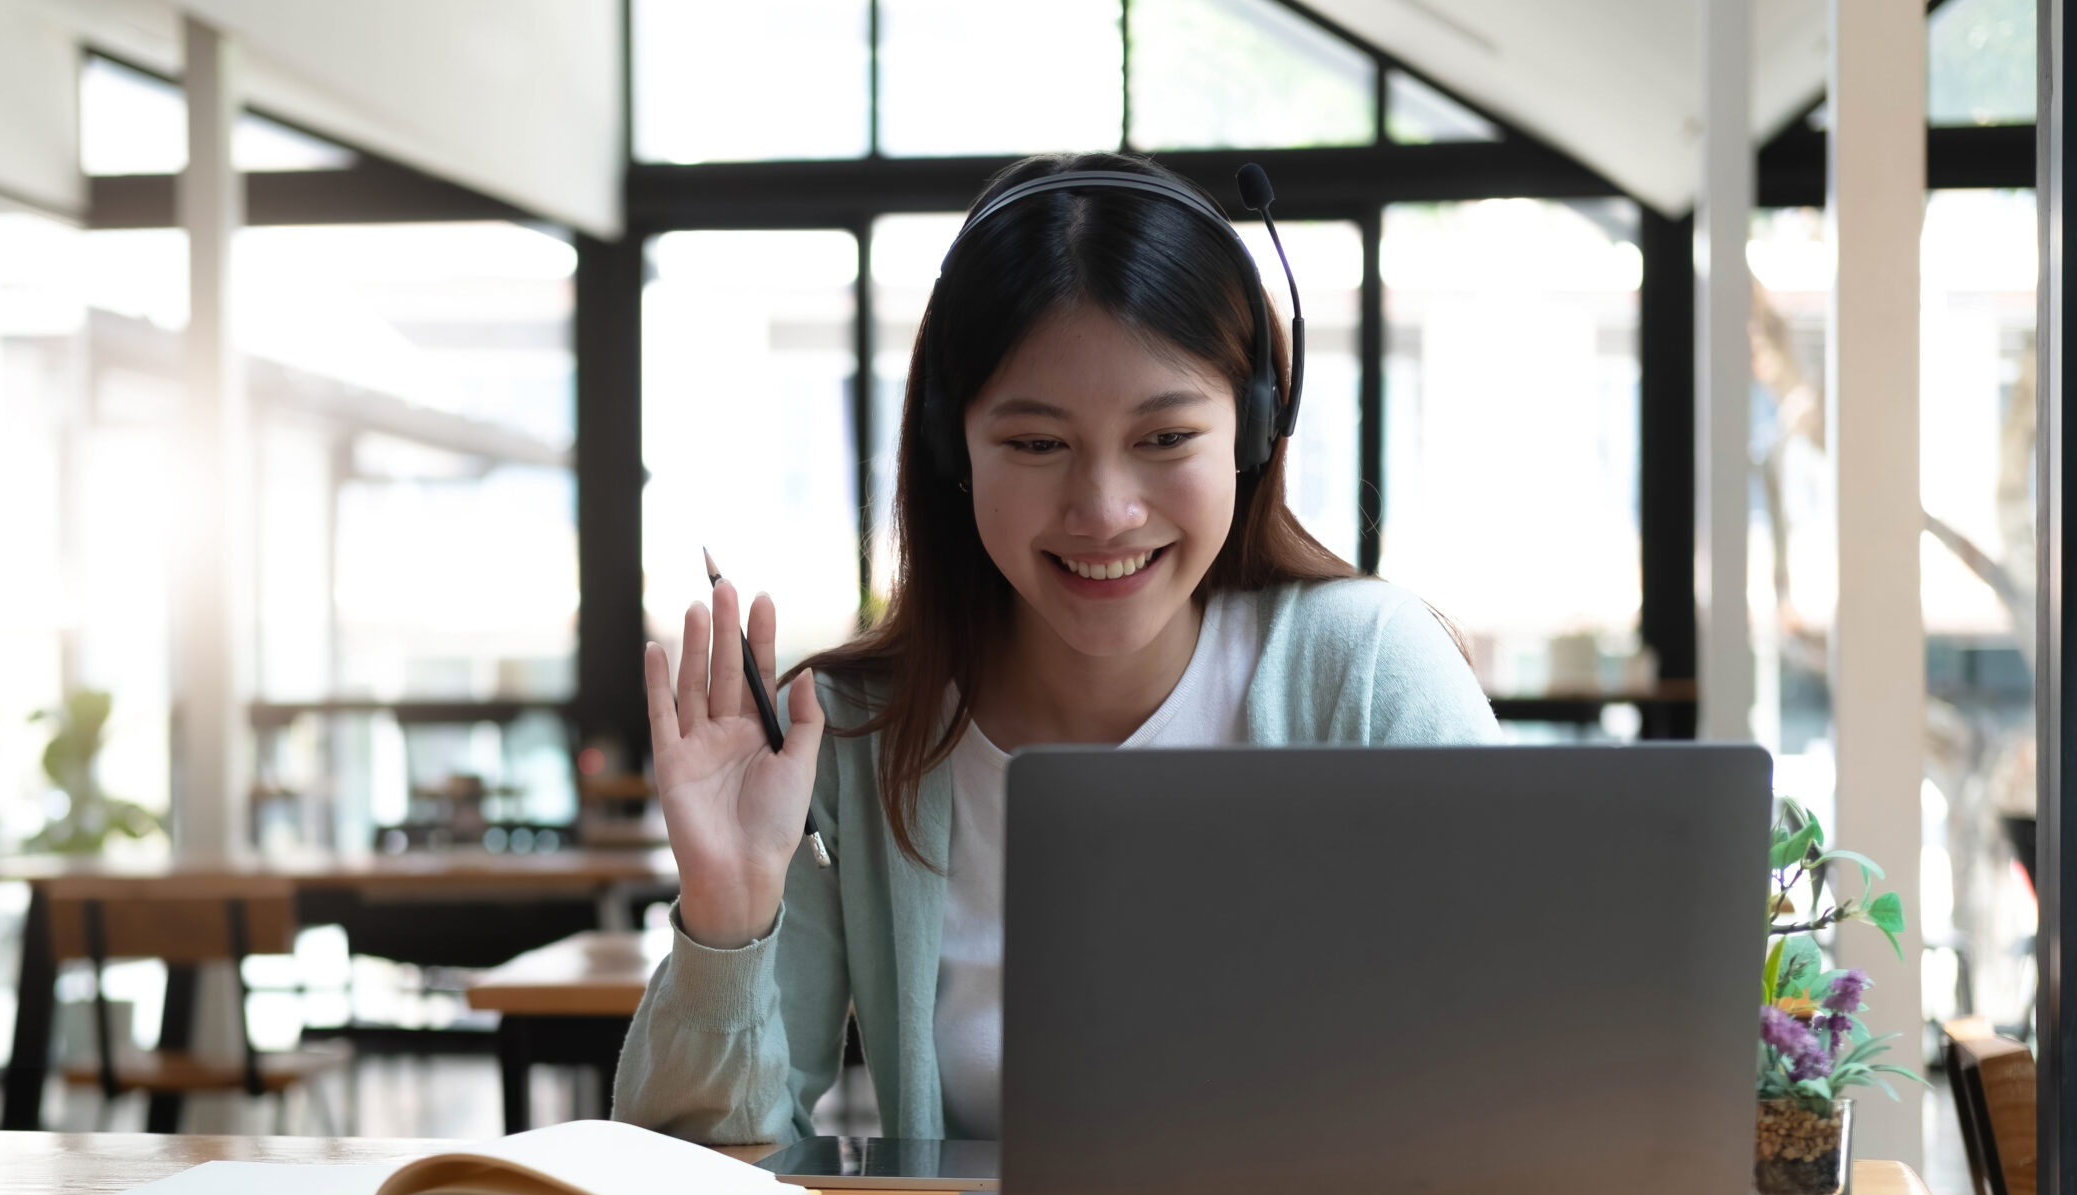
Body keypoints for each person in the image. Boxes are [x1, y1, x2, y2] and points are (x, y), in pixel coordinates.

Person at [614, 152, 1498, 1144]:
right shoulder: (860, 736)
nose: (1103, 511)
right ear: (954, 453)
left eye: (1164, 439)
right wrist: (728, 910)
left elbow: (1524, 1072)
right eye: (1036, 444)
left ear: (1254, 432)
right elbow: (687, 1173)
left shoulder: (1370, 675)